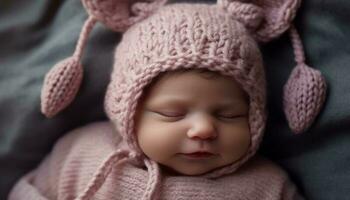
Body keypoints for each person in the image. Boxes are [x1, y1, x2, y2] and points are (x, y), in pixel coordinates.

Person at [9, 0, 327, 199]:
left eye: (230, 115)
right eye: (172, 113)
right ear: (126, 112)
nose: (203, 129)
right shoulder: (81, 156)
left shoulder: (266, 188)